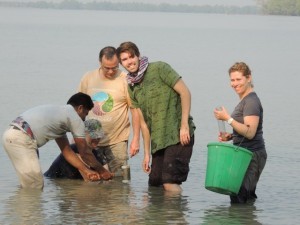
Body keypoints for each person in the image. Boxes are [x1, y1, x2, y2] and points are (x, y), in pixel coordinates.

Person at [116, 41, 196, 193]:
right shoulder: (132, 86)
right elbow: (144, 124)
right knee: (154, 184)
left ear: (138, 56)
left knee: (169, 182)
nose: (129, 62)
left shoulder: (159, 68)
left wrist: (184, 125)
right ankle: (158, 217)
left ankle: (176, 215)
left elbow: (185, 93)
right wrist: (147, 154)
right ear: (121, 64)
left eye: (131, 57)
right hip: (159, 141)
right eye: (125, 59)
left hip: (178, 135)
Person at [2, 92, 113, 189]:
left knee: (29, 184)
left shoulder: (59, 117)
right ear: (80, 108)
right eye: (85, 114)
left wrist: (86, 170)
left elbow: (67, 152)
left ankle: (23, 212)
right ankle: (31, 213)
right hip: (22, 138)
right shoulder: (74, 118)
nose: (84, 119)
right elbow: (84, 153)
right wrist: (102, 171)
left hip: (11, 136)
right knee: (35, 185)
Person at [78, 46, 140, 175]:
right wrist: (76, 135)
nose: (111, 72)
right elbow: (78, 108)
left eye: (115, 67)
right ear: (100, 62)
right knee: (93, 179)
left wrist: (136, 139)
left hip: (117, 140)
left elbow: (135, 111)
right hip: (92, 139)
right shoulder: (88, 78)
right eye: (107, 68)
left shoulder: (126, 80)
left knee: (120, 182)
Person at [213, 62, 267, 203]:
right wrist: (231, 136)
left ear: (248, 78)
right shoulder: (245, 100)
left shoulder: (251, 102)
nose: (234, 83)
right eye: (232, 80)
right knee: (238, 197)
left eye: (238, 79)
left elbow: (250, 132)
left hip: (252, 155)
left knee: (242, 198)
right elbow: (245, 129)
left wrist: (228, 119)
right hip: (244, 154)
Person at [44, 119, 109, 179]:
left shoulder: (97, 153)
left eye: (99, 136)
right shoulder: (73, 150)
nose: (97, 139)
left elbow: (107, 174)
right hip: (52, 180)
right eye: (94, 136)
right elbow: (87, 179)